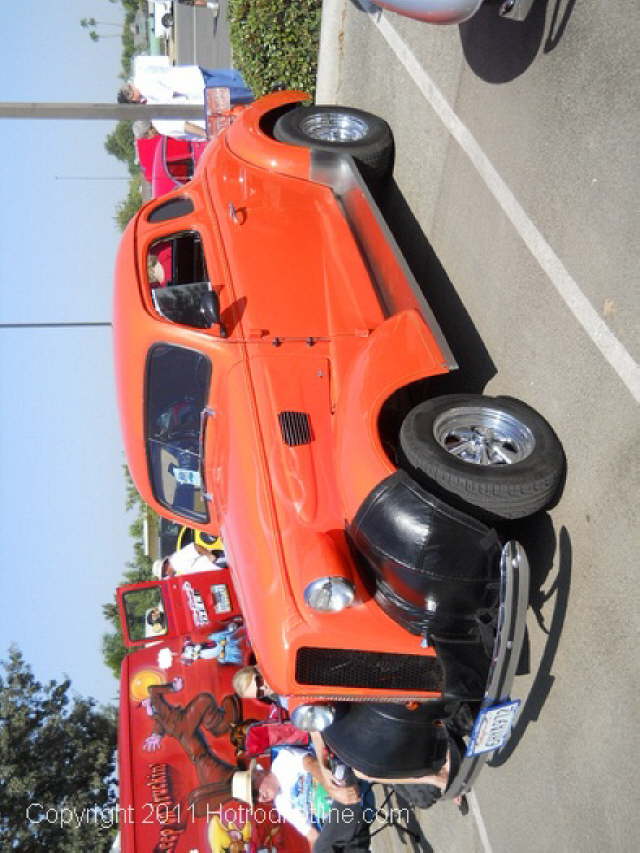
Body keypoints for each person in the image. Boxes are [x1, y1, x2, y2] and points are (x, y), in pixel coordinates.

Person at [232, 735, 371, 853]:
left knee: (322, 849)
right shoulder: (281, 804)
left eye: (255, 792)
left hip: (341, 785)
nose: (260, 798)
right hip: (342, 820)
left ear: (257, 773)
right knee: (345, 847)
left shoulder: (281, 762)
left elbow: (311, 764)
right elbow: (311, 834)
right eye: (255, 800)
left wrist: (332, 789)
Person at [117, 57, 253, 138]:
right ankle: (256, 74)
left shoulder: (146, 89)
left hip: (198, 88)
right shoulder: (141, 73)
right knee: (235, 78)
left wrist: (208, 136)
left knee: (242, 93)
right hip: (193, 74)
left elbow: (169, 97)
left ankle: (262, 85)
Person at [152, 539, 225, 579]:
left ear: (165, 567)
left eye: (164, 574)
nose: (167, 575)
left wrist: (209, 556)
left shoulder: (177, 560)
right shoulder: (177, 568)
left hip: (218, 560)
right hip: (218, 566)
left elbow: (194, 547)